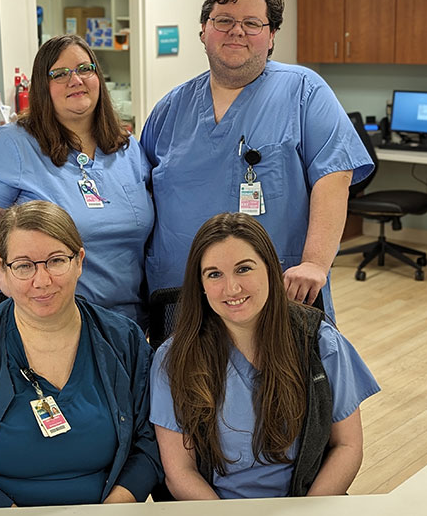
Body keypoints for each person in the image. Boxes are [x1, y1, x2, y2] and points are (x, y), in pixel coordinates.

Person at [140, 0, 375, 320]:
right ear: (204, 30)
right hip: (181, 296)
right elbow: (139, 192)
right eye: (224, 21)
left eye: (252, 23)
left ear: (271, 36)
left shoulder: (304, 92)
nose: (237, 31)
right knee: (182, 375)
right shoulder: (169, 109)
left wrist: (314, 263)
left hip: (275, 294)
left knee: (277, 374)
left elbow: (334, 177)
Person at [0, 200, 162, 509]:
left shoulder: (124, 342)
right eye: (24, 266)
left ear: (79, 261)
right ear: (4, 270)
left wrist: (117, 505)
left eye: (55, 261)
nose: (41, 281)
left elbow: (153, 438)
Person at [150, 212, 380, 499]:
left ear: (270, 270)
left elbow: (347, 447)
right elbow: (180, 473)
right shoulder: (173, 359)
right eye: (214, 274)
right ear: (201, 285)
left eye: (244, 269)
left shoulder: (320, 342)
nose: (231, 288)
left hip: (308, 505)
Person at [0, 34, 153, 327]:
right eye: (60, 74)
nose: (75, 80)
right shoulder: (11, 145)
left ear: (98, 79)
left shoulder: (127, 148)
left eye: (84, 69)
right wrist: (5, 279)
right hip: (35, 324)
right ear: (42, 88)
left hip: (119, 324)